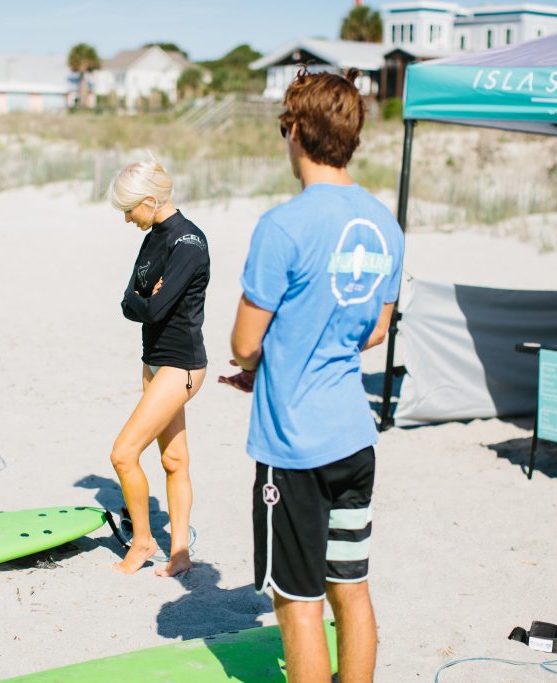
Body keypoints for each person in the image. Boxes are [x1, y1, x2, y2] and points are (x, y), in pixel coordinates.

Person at [222, 68, 405, 682]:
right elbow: (375, 331)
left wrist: (262, 365)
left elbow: (245, 343)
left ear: (296, 131)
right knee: (350, 589)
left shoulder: (283, 226)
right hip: (354, 437)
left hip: (295, 447)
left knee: (297, 605)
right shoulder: (385, 224)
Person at [107, 157, 210, 577]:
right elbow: (129, 301)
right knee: (174, 460)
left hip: (181, 365)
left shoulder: (188, 242)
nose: (127, 219)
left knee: (123, 453)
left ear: (150, 200)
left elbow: (153, 306)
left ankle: (144, 541)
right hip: (152, 362)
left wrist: (144, 299)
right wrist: (143, 299)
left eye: (130, 209)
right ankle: (180, 551)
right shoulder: (153, 238)